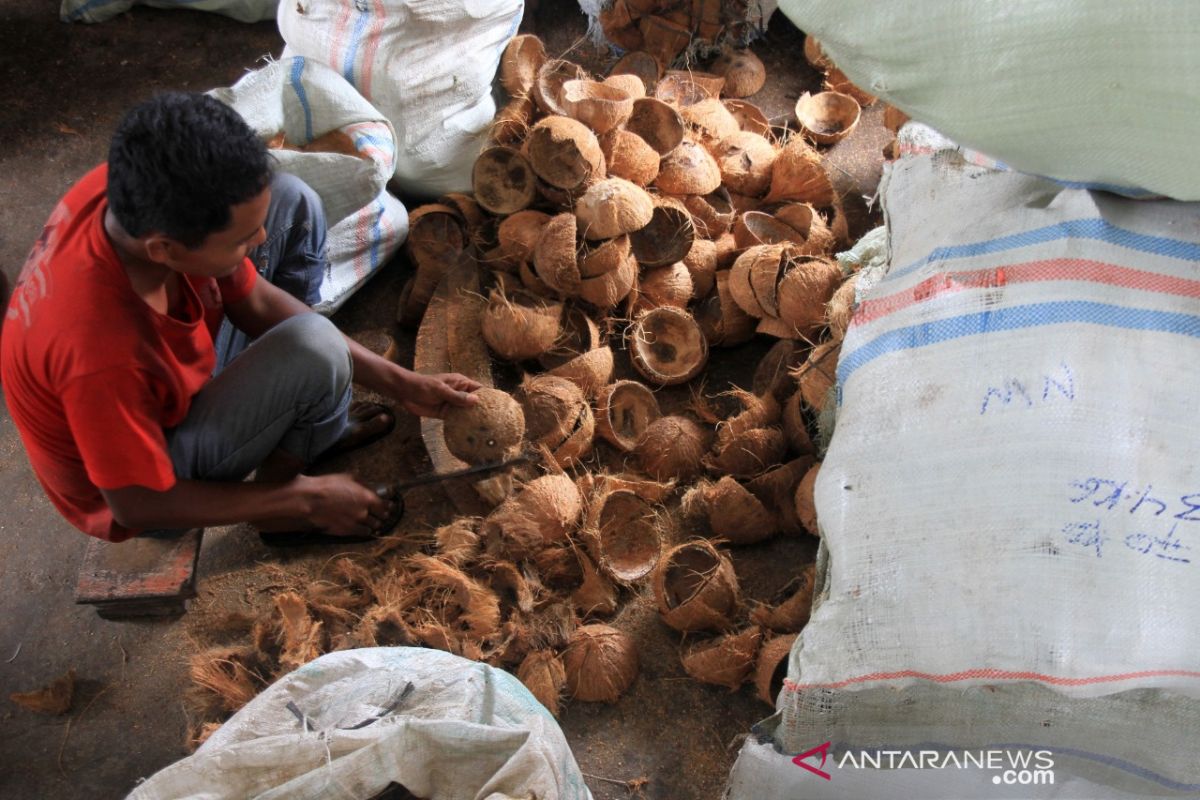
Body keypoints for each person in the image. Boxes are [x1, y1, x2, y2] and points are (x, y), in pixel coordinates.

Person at [0, 92, 479, 545]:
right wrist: (303, 497)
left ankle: (306, 426)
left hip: (164, 385)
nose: (261, 238)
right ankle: (282, 508)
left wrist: (405, 384)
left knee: (293, 201)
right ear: (164, 250)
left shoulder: (129, 197)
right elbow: (135, 505)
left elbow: (256, 303)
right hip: (147, 484)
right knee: (314, 349)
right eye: (240, 240)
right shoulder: (98, 353)